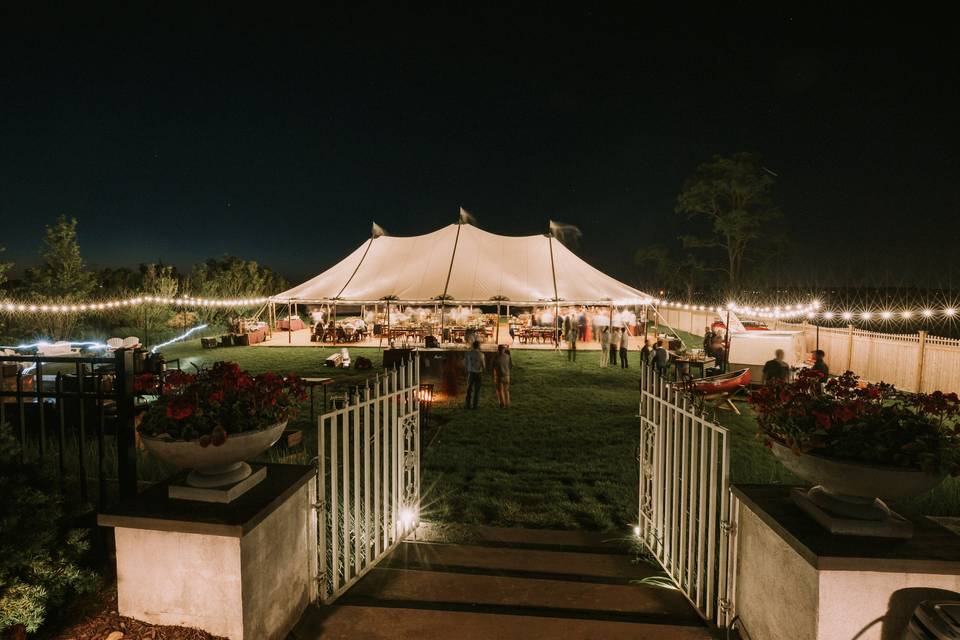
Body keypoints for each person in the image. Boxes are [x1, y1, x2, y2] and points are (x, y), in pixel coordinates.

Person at [464, 340, 484, 409]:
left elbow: (465, 363)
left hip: (471, 372)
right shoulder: (481, 354)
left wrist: (466, 369)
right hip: (478, 373)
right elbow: (483, 365)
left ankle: (467, 404)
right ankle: (475, 405)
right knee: (477, 390)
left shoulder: (469, 353)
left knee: (469, 389)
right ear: (478, 346)